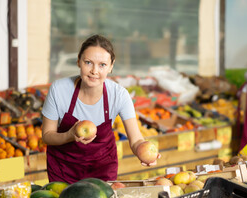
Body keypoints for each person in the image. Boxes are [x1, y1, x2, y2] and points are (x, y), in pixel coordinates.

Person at [42, 34, 159, 183]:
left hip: (102, 169)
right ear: (78, 61)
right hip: (64, 169)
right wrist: (70, 135)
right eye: (88, 62)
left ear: (111, 66)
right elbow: (47, 135)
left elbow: (136, 140)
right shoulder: (59, 90)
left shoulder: (119, 95)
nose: (94, 71)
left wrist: (144, 153)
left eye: (102, 65)